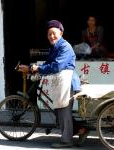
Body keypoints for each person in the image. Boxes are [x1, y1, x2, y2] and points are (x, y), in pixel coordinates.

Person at [19, 20, 80, 148]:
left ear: (61, 33)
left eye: (54, 33)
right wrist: (31, 68)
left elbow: (57, 66)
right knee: (59, 109)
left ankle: (66, 141)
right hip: (61, 82)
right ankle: (75, 130)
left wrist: (37, 69)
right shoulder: (54, 47)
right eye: (49, 34)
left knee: (63, 111)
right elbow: (48, 64)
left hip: (67, 82)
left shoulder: (65, 47)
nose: (51, 36)